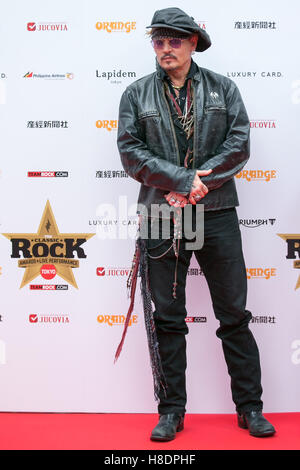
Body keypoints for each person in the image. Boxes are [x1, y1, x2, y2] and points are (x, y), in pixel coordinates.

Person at [116, 7, 276, 441]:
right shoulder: (136, 94)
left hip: (217, 211)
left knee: (234, 316)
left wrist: (196, 185)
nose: (165, 48)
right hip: (162, 214)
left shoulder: (224, 89)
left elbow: (239, 144)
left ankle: (250, 407)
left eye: (173, 40)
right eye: (158, 40)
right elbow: (130, 153)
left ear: (192, 43)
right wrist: (182, 182)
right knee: (167, 317)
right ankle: (171, 411)